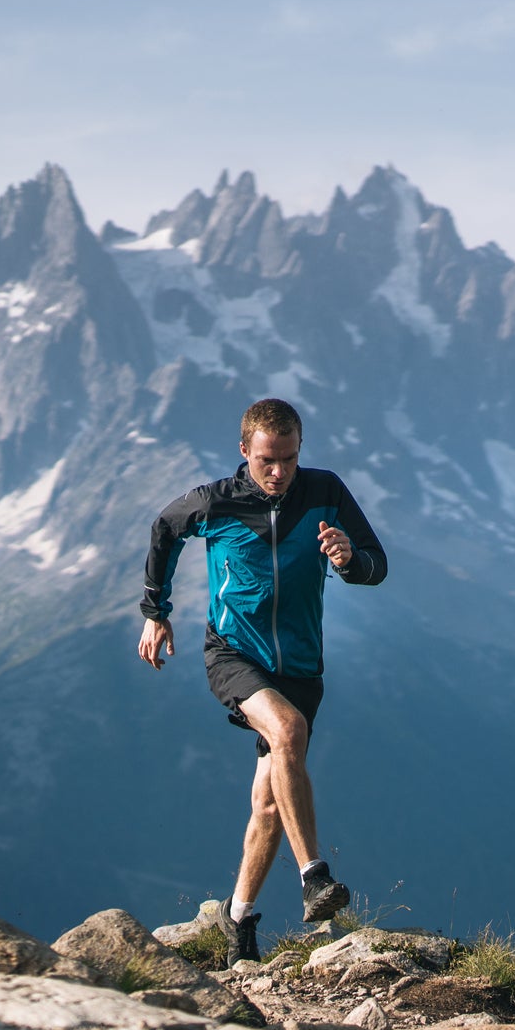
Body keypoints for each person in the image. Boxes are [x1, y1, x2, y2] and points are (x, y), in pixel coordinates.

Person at [138, 397, 387, 963]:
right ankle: (314, 878)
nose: (279, 472)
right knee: (288, 730)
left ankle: (238, 918)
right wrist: (156, 611)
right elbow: (164, 530)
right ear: (244, 451)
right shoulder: (214, 503)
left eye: (290, 459)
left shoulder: (325, 492)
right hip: (234, 655)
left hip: (301, 665)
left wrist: (350, 560)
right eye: (267, 460)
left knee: (270, 803)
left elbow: (376, 565)